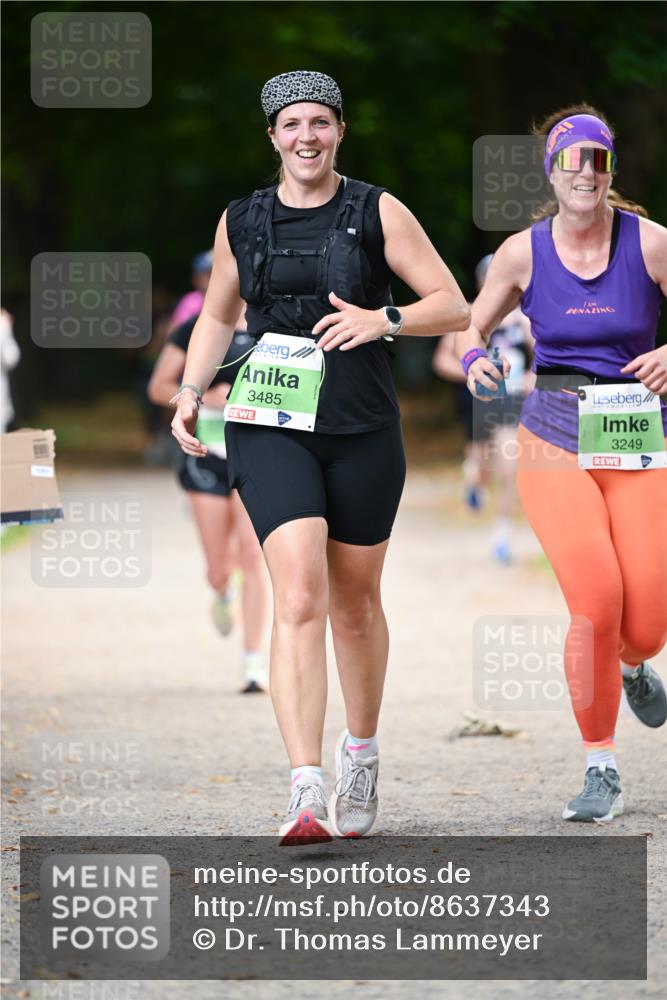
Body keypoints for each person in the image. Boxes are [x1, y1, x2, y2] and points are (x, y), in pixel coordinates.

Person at [170, 70, 469, 843]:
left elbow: (453, 304)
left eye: (320, 123)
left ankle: (358, 754)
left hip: (362, 425)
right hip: (268, 422)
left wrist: (385, 319)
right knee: (297, 592)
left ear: (338, 131)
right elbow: (217, 314)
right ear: (271, 135)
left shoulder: (376, 210)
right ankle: (304, 788)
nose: (306, 136)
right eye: (291, 124)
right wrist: (191, 389)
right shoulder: (241, 219)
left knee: (354, 602)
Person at [456, 104, 667, 823]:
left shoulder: (652, 244)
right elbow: (469, 324)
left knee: (646, 623)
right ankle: (599, 765)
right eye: (571, 159)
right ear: (552, 171)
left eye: (597, 160)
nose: (584, 171)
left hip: (639, 437)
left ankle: (634, 665)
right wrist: (476, 356)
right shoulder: (521, 251)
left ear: (611, 171)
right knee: (595, 603)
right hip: (551, 433)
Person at [148, 312, 270, 692]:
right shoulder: (195, 327)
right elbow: (158, 387)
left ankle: (253, 663)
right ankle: (222, 589)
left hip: (257, 454)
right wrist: (202, 398)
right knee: (219, 567)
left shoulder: (277, 321)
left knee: (253, 555)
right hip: (205, 455)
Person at [434, 255, 534, 562]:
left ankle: (502, 535)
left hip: (511, 399)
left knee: (510, 467)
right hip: (477, 398)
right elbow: (442, 360)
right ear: (481, 282)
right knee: (480, 464)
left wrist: (532, 378)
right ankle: (474, 481)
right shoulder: (466, 315)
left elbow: (542, 356)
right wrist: (473, 370)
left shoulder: (524, 317)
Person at [168, 250, 214, 332]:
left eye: (212, 273)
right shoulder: (192, 301)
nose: (210, 278)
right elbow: (175, 331)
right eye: (206, 274)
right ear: (195, 280)